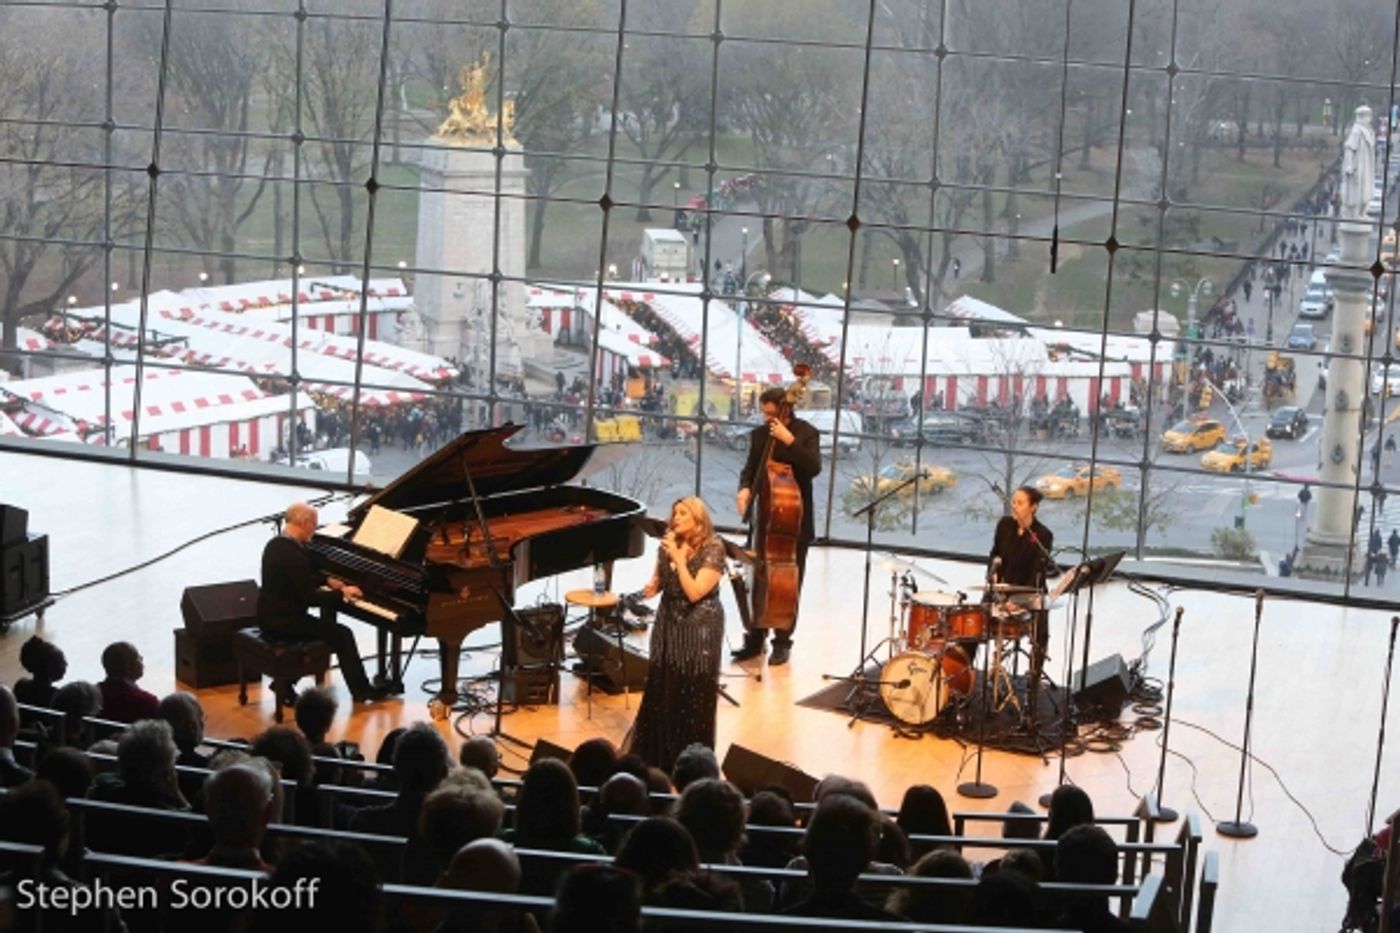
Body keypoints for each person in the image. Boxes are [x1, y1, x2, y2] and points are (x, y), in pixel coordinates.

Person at [625, 497, 727, 770]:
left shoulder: (714, 548)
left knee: (692, 689)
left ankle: (691, 761)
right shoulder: (668, 544)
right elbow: (658, 583)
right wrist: (649, 588)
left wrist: (680, 561)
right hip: (669, 621)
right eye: (674, 513)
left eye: (683, 513)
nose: (675, 518)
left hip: (700, 624)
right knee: (664, 683)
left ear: (698, 519)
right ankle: (660, 756)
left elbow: (695, 593)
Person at [257, 501, 385, 703]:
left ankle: (286, 682)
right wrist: (342, 593)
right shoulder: (293, 554)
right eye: (314, 525)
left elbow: (296, 581)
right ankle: (361, 691)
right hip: (284, 623)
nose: (315, 530)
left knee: (327, 631)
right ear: (304, 522)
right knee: (342, 635)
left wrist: (326, 580)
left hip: (270, 616)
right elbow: (309, 597)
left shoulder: (276, 545)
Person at [734, 386, 822, 665]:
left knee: (789, 584)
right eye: (763, 413)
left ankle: (782, 642)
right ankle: (754, 638)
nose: (766, 419)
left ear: (785, 410)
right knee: (758, 579)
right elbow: (749, 468)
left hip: (793, 523)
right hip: (764, 521)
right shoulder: (760, 435)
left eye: (770, 413)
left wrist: (789, 441)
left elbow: (813, 468)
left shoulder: (807, 433)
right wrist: (745, 489)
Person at [988, 486, 1055, 713]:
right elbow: (994, 554)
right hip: (1002, 589)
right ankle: (963, 671)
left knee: (1041, 630)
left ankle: (1033, 684)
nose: (1013, 506)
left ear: (1033, 507)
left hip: (1029, 592)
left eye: (1019, 502)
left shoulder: (1043, 536)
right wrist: (993, 573)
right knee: (972, 617)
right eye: (1013, 502)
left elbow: (1036, 572)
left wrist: (1020, 599)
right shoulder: (1004, 525)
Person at [97, 641, 160, 723]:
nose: (142, 658)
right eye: (138, 657)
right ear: (128, 667)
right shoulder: (147, 702)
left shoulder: (91, 698)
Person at [15, 634, 67, 707]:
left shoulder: (21, 687)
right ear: (49, 668)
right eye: (61, 662)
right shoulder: (58, 697)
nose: (66, 664)